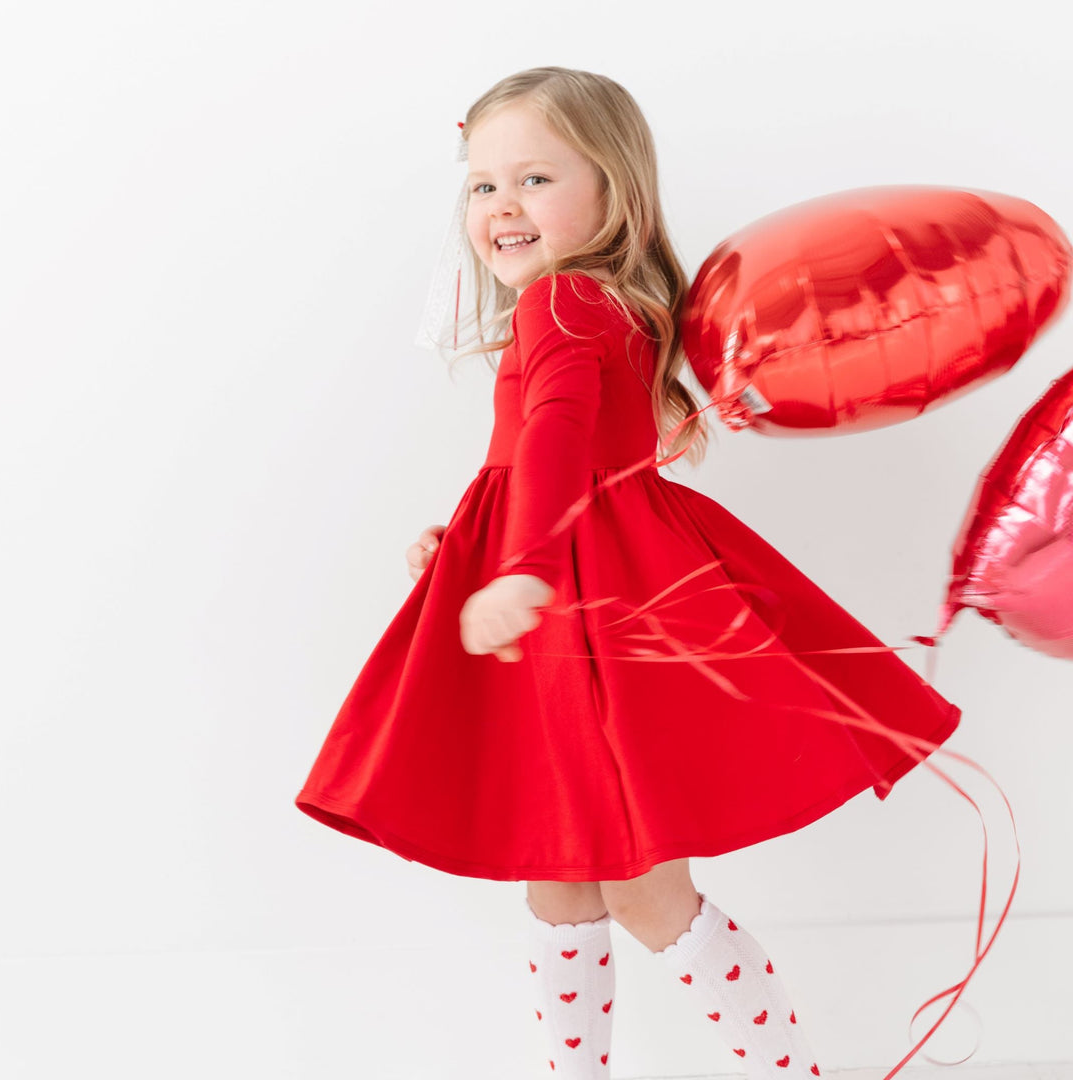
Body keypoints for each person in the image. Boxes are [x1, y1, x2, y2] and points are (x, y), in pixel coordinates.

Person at [294, 66, 963, 1079]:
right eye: (483, 186)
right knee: (562, 875)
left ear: (615, 191)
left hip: (581, 604)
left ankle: (791, 1071)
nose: (503, 206)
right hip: (581, 591)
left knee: (639, 883)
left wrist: (516, 563)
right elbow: (538, 451)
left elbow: (559, 439)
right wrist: (468, 539)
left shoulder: (563, 300)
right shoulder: (594, 302)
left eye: (535, 179)